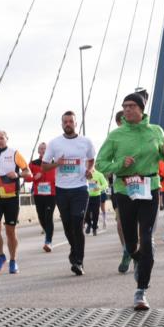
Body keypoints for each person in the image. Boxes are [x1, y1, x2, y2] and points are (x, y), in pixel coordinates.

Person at [95, 91, 164, 310]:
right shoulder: (116, 136)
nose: (127, 109)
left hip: (150, 188)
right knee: (131, 242)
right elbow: (100, 164)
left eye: (131, 106)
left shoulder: (156, 131)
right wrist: (120, 163)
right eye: (124, 106)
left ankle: (141, 291)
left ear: (141, 109)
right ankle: (136, 257)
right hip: (125, 190)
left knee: (147, 237)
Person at [43, 110, 96, 275]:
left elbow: (91, 159)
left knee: (77, 223)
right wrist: (56, 164)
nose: (68, 124)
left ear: (75, 123)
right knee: (67, 225)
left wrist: (90, 170)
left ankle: (79, 261)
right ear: (62, 124)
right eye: (65, 122)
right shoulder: (54, 143)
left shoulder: (86, 141)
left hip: (80, 188)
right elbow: (45, 166)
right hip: (61, 189)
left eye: (70, 121)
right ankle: (74, 249)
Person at [0, 130, 31, 274]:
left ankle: (13, 260)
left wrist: (18, 174)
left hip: (11, 197)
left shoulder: (14, 153)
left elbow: (28, 173)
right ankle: (1, 256)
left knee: (10, 231)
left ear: (6, 139)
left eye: (1, 138)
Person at [109, 110, 133, 273]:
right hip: (119, 186)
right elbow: (104, 164)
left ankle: (138, 250)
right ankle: (127, 250)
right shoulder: (114, 139)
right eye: (123, 120)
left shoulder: (140, 135)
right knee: (121, 221)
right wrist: (116, 166)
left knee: (138, 221)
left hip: (141, 184)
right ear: (119, 122)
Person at [29, 142, 56, 251]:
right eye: (41, 149)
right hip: (38, 194)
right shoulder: (32, 163)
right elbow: (27, 177)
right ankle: (48, 233)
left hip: (52, 194)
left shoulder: (55, 163)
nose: (43, 150)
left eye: (45, 149)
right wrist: (35, 177)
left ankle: (48, 241)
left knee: (48, 216)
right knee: (41, 217)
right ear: (38, 151)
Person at [84, 168, 109, 235]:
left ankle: (94, 228)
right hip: (86, 196)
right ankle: (89, 224)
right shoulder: (84, 173)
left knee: (95, 213)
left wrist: (99, 188)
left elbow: (105, 184)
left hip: (96, 196)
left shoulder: (99, 174)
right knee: (86, 213)